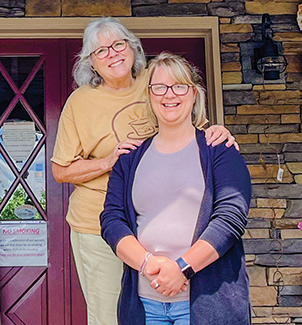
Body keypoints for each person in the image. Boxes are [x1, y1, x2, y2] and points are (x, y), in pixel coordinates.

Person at [51, 18, 237, 325]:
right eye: (101, 51)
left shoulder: (154, 79)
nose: (112, 54)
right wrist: (106, 161)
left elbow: (185, 118)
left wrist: (216, 131)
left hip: (164, 221)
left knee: (174, 310)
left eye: (118, 44)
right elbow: (60, 170)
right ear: (91, 63)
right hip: (102, 227)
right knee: (111, 315)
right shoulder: (80, 103)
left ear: (133, 47)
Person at [100, 52, 252, 325]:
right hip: (144, 306)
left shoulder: (219, 150)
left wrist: (182, 269)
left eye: (179, 86)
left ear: (194, 94)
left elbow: (230, 219)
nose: (169, 95)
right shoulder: (129, 158)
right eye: (159, 87)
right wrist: (148, 264)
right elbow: (112, 221)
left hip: (208, 304)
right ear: (149, 95)